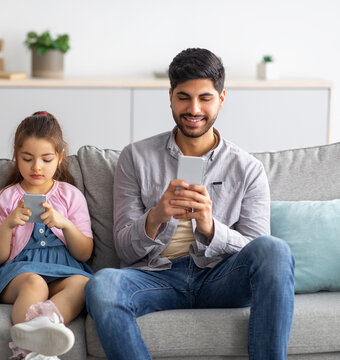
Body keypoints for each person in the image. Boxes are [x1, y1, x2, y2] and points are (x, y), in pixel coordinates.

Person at [85, 48, 295, 360]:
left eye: (205, 98)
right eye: (183, 97)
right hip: (156, 277)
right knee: (102, 284)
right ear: (170, 96)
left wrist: (211, 228)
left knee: (276, 249)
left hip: (218, 277)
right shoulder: (136, 157)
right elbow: (125, 249)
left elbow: (258, 251)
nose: (193, 108)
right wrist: (156, 215)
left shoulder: (247, 168)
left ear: (221, 98)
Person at [0, 111, 94, 360]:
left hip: (63, 269)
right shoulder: (5, 198)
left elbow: (84, 253)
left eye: (46, 159)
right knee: (35, 283)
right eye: (27, 159)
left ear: (60, 157)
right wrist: (8, 225)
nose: (36, 167)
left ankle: (41, 340)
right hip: (20, 273)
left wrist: (64, 224)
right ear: (16, 157)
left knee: (83, 284)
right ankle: (30, 350)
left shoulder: (70, 195)